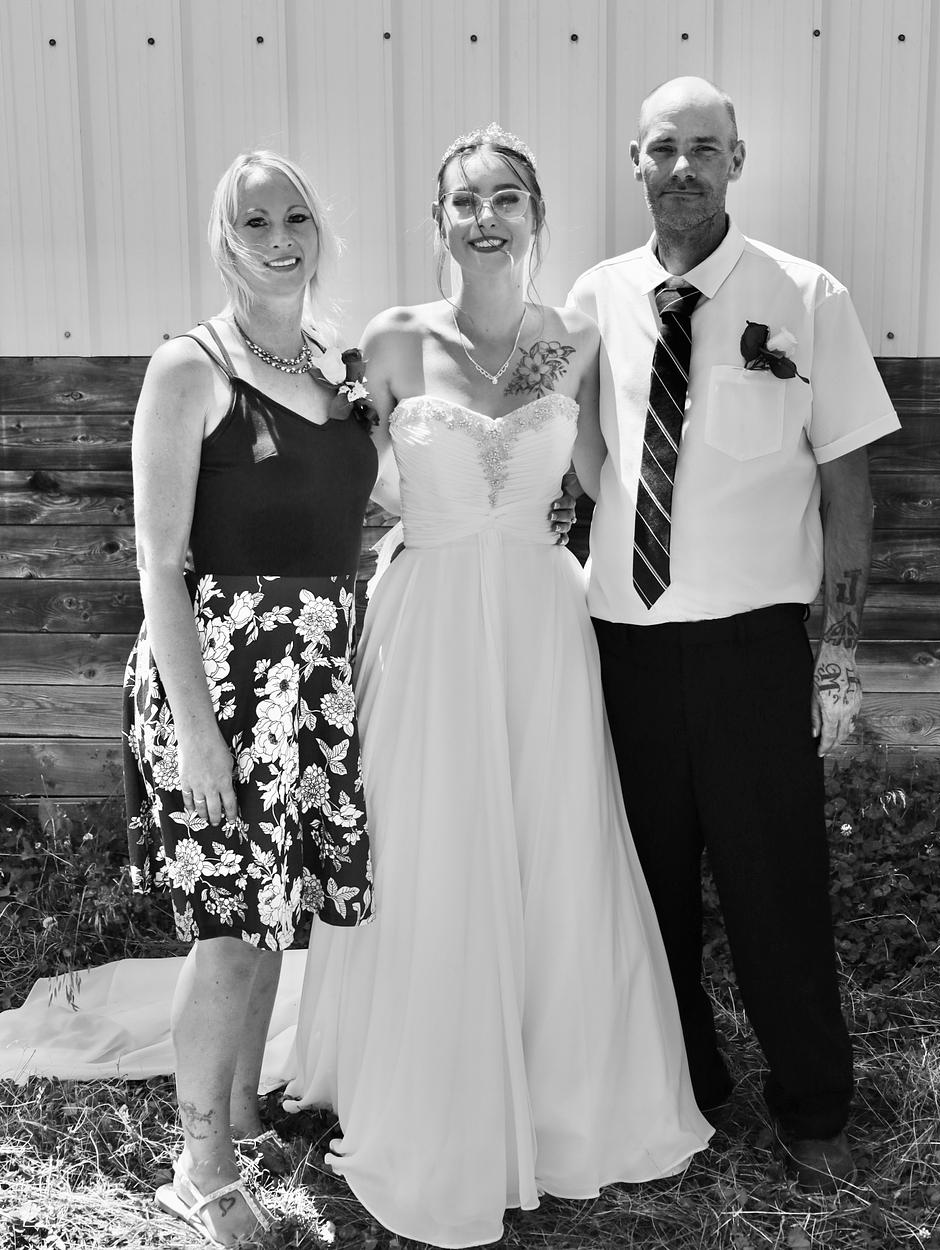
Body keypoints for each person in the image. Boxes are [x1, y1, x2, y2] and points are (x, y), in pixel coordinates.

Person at [283, 123, 712, 1248]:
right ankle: (423, 1080)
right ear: (438, 221)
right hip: (425, 617)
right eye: (465, 201)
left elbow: (609, 478)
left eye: (506, 198)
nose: (486, 218)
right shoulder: (389, 339)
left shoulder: (572, 341)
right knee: (429, 835)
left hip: (537, 618)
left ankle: (562, 1090)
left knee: (550, 837)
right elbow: (334, 476)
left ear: (536, 215)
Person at [566, 78, 901, 1189]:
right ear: (635, 160)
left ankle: (814, 1105)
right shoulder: (592, 298)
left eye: (705, 148)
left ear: (737, 162)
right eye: (663, 148)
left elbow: (848, 484)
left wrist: (838, 650)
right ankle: (684, 1089)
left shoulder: (806, 295)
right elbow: (567, 447)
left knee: (777, 888)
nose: (683, 168)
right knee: (643, 889)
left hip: (754, 652)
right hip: (623, 646)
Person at [122, 149, 377, 1245]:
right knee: (231, 926)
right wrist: (196, 730)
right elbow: (157, 560)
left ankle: (238, 1114)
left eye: (296, 218)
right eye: (254, 222)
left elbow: (358, 509)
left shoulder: (332, 370)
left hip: (310, 677)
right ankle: (201, 1172)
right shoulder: (190, 368)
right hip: (221, 679)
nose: (280, 239)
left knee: (275, 911)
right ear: (224, 242)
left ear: (320, 233)